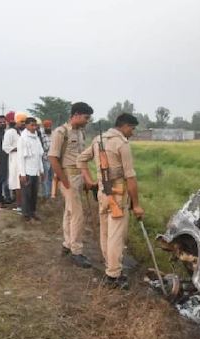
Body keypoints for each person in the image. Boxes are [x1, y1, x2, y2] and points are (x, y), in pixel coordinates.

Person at [77, 113, 144, 289]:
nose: (133, 132)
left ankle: (110, 266)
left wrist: (90, 181)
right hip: (118, 193)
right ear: (124, 126)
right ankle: (113, 274)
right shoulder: (121, 144)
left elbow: (80, 160)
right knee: (116, 236)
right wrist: (136, 205)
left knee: (106, 232)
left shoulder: (98, 140)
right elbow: (130, 177)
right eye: (132, 128)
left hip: (102, 192)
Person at [48, 102, 94, 268]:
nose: (88, 121)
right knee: (77, 215)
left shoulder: (80, 133)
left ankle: (67, 244)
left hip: (78, 176)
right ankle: (76, 251)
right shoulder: (61, 132)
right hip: (68, 177)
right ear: (76, 115)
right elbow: (53, 158)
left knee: (69, 213)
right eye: (86, 117)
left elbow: (81, 158)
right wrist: (64, 181)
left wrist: (86, 178)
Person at [18, 117, 44, 221]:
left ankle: (33, 212)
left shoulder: (36, 138)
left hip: (36, 171)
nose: (34, 127)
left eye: (35, 125)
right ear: (26, 126)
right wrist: (22, 173)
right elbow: (20, 158)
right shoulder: (22, 139)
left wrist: (41, 170)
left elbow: (39, 156)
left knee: (34, 194)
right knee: (26, 194)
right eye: (32, 125)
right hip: (27, 171)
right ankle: (26, 214)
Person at [2, 112, 26, 209]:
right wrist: (18, 148)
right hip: (15, 160)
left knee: (23, 182)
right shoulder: (10, 132)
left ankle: (23, 204)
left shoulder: (23, 132)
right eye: (22, 122)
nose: (23, 124)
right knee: (17, 183)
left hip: (24, 160)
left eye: (25, 122)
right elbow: (5, 147)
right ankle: (19, 204)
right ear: (17, 121)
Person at [38, 120, 53, 200]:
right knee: (45, 178)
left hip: (53, 159)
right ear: (44, 126)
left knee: (51, 177)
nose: (48, 128)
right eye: (46, 126)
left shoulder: (53, 134)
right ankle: (45, 195)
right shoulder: (41, 134)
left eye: (49, 126)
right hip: (45, 158)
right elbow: (45, 147)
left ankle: (50, 193)